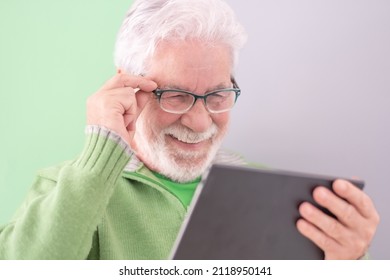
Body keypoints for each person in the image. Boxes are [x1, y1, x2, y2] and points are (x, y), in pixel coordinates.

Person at [0, 0, 379, 260]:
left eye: (217, 95)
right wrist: (100, 156)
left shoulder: (279, 197)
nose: (200, 123)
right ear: (126, 90)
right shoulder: (71, 190)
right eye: (176, 96)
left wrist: (349, 262)